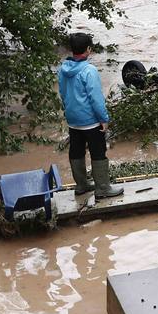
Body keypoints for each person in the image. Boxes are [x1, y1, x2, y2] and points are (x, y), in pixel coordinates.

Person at [58, 32, 123, 199]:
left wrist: (70, 111)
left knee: (76, 150)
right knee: (98, 152)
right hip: (90, 121)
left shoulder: (63, 69)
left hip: (73, 120)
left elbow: (63, 94)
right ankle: (102, 188)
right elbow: (96, 99)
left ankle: (81, 185)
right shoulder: (89, 70)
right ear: (88, 49)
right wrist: (104, 119)